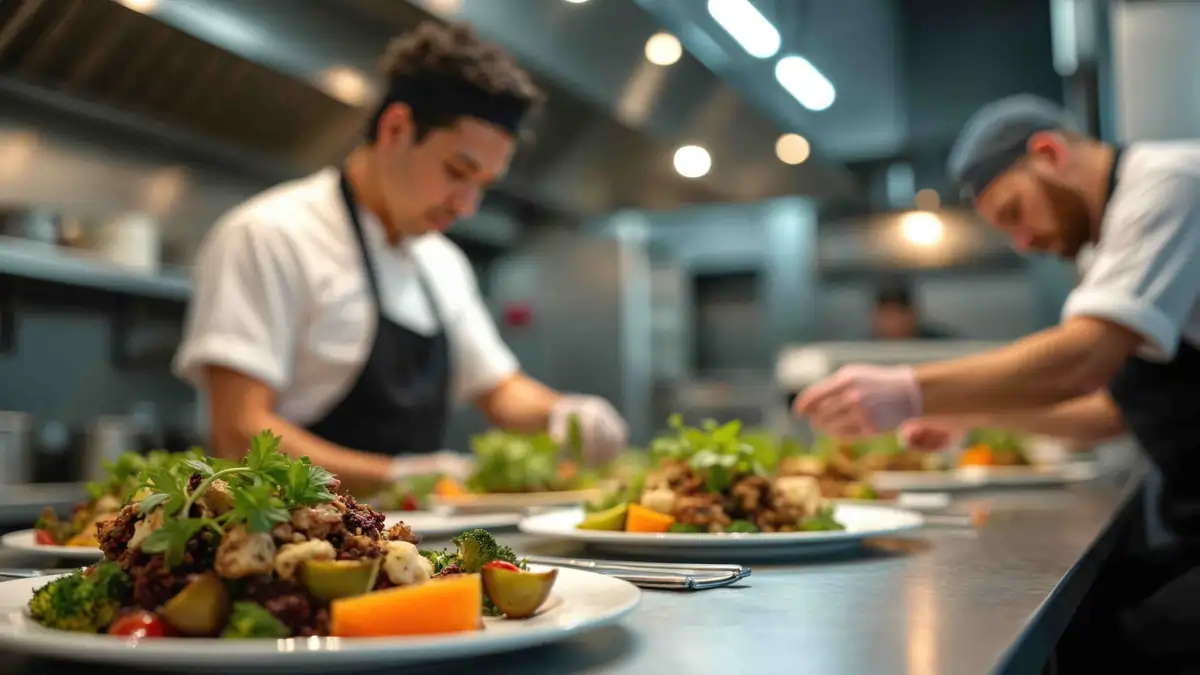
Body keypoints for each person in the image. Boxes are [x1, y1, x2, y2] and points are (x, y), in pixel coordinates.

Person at [794, 94, 1200, 669]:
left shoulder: (1170, 184)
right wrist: (972, 412)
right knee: (1089, 620)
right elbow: (1107, 414)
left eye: (1014, 212)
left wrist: (907, 390)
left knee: (1128, 648)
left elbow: (1083, 358)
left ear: (1049, 153)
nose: (1023, 241)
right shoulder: (1108, 242)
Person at [173, 22, 627, 493]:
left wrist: (562, 413)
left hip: (412, 534)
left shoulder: (442, 263)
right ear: (395, 129)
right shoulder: (270, 235)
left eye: (483, 186)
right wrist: (396, 477)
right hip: (291, 528)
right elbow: (237, 430)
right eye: (457, 171)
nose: (467, 206)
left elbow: (498, 388)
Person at [871, 284, 955, 340]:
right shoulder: (868, 346)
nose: (892, 324)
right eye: (888, 316)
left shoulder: (938, 343)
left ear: (912, 315)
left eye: (897, 315)